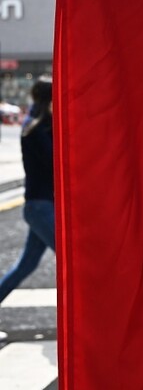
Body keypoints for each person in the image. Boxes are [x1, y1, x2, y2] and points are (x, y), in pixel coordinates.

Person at [0, 77, 55, 342]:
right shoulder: (36, 130)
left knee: (26, 266)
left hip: (40, 207)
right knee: (73, 262)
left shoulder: (40, 127)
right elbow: (55, 163)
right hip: (40, 207)